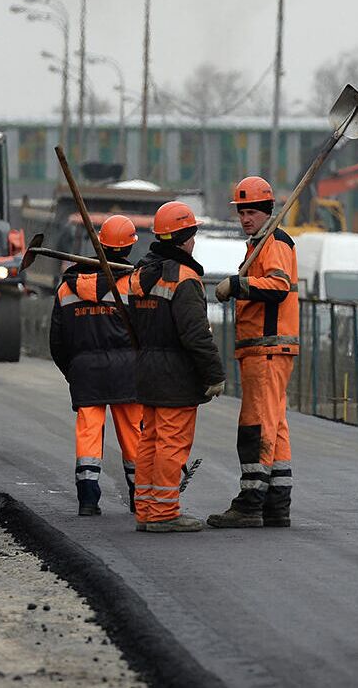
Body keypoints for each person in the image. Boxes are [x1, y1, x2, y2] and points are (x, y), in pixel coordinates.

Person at [128, 201, 226, 533]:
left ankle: (145, 508)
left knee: (151, 441)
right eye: (193, 234)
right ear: (185, 237)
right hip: (175, 375)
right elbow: (196, 334)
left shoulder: (140, 274)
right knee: (171, 442)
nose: (194, 241)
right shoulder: (183, 278)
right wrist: (214, 374)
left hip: (147, 369)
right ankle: (164, 512)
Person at [209, 176, 300, 529]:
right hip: (267, 348)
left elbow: (277, 286)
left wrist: (238, 284)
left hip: (267, 348)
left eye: (251, 212)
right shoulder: (259, 244)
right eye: (242, 212)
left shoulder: (273, 242)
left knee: (256, 424)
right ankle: (277, 505)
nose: (245, 218)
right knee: (275, 427)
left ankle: (250, 503)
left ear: (266, 211)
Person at [49, 214, 142, 517]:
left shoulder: (66, 288)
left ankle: (88, 499)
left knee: (88, 434)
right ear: (128, 248)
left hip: (85, 371)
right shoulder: (132, 284)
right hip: (127, 370)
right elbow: (146, 330)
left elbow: (57, 341)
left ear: (100, 242)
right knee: (133, 435)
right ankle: (139, 498)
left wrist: (74, 369)